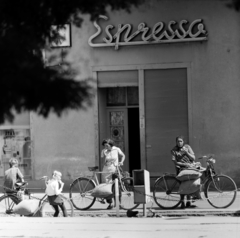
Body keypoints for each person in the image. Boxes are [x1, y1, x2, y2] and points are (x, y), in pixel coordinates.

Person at [171, 136, 199, 209]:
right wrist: (184, 164)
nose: (179, 143)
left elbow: (193, 158)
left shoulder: (187, 147)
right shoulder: (174, 150)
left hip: (190, 167)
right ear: (176, 142)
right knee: (182, 186)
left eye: (181, 141)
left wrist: (186, 152)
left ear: (183, 142)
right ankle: (182, 202)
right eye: (178, 141)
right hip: (181, 169)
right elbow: (175, 162)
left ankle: (188, 202)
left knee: (190, 184)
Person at [101, 138, 125, 209]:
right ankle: (110, 203)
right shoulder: (104, 151)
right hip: (106, 170)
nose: (106, 147)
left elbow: (123, 155)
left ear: (111, 145)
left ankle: (118, 203)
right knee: (107, 187)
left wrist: (121, 162)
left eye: (107, 145)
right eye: (104, 146)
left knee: (117, 186)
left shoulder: (116, 149)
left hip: (115, 169)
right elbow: (103, 161)